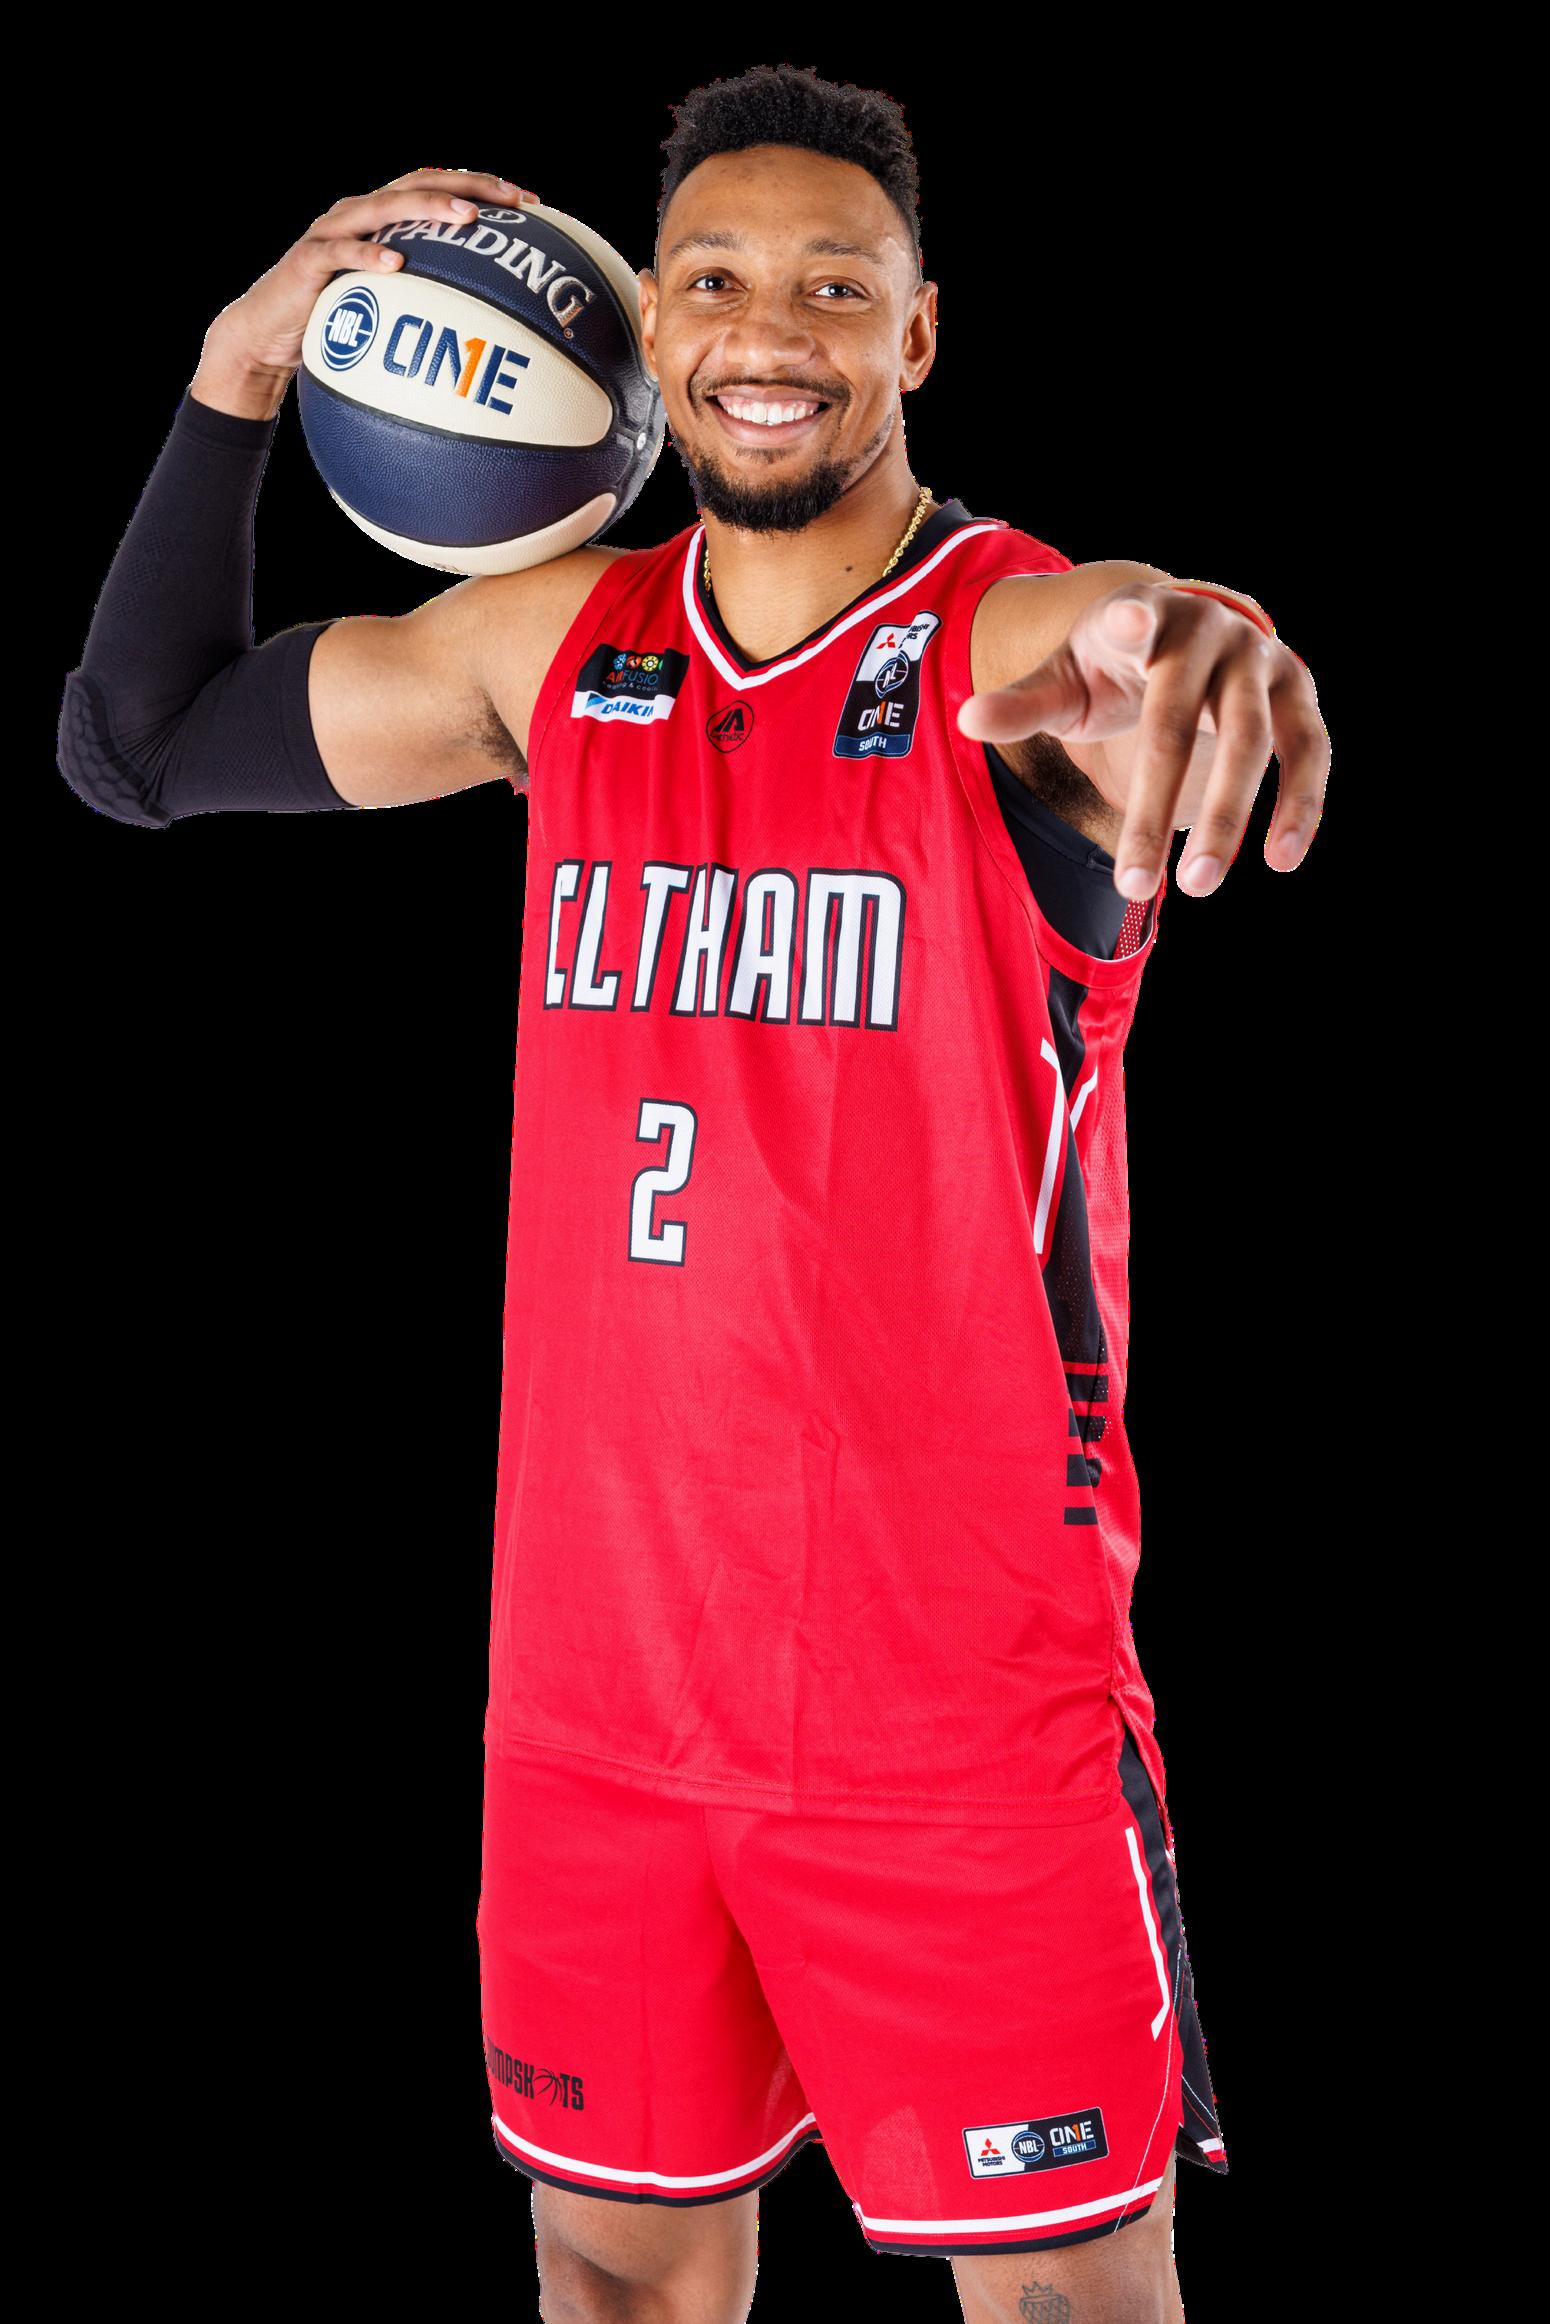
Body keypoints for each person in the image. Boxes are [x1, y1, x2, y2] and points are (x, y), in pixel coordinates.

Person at [56, 64, 1329, 2324]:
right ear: (646, 330)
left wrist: (1198, 623)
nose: (770, 330)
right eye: (718, 280)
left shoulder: (1000, 656)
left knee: (1063, 2305)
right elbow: (134, 746)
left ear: (914, 334)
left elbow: (1118, 636)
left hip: (952, 1720)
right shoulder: (556, 648)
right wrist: (235, 378)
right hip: (595, 1702)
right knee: (617, 2280)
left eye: (835, 288)